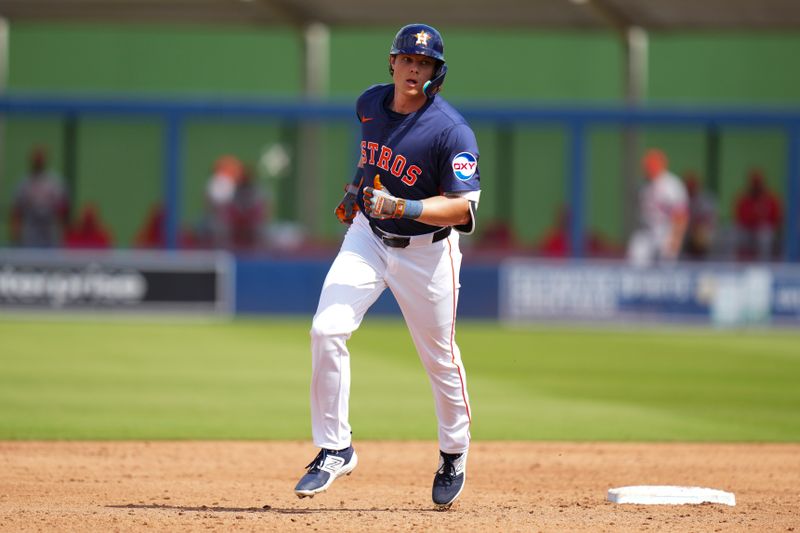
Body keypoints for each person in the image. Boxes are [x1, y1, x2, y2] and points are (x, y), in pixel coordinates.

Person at [294, 23, 480, 510]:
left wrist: (405, 207)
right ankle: (336, 447)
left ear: (436, 74)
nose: (414, 69)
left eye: (425, 64)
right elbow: (373, 159)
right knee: (326, 329)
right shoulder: (369, 104)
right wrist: (356, 191)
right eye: (407, 60)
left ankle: (453, 453)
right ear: (392, 62)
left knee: (439, 358)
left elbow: (463, 210)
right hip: (368, 237)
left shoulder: (451, 131)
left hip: (429, 253)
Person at [626, 149, 688, 267]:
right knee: (635, 258)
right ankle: (637, 285)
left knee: (666, 266)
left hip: (666, 230)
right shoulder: (642, 185)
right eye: (648, 166)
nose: (650, 169)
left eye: (653, 166)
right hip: (646, 230)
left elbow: (681, 215)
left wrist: (676, 239)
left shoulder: (672, 185)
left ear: (662, 166)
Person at [9, 146, 70, 248]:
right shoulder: (23, 185)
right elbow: (16, 213)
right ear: (31, 160)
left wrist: (63, 235)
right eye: (36, 158)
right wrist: (16, 236)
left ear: (45, 159)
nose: (38, 161)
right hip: (30, 235)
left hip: (50, 234)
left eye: (40, 158)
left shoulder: (55, 183)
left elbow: (64, 211)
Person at [734, 169, 783, 261]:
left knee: (764, 234)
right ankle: (741, 262)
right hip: (748, 229)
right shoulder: (744, 198)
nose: (756, 186)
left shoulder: (771, 199)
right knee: (737, 233)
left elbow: (776, 219)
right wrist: (755, 216)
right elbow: (740, 217)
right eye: (754, 183)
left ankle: (764, 262)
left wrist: (762, 219)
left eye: (758, 183)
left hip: (764, 230)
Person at [682, 172, 717, 260]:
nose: (690, 188)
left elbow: (707, 221)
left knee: (701, 234)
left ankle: (703, 259)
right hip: (686, 232)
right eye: (688, 186)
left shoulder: (705, 199)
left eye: (692, 186)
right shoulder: (681, 198)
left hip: (702, 233)